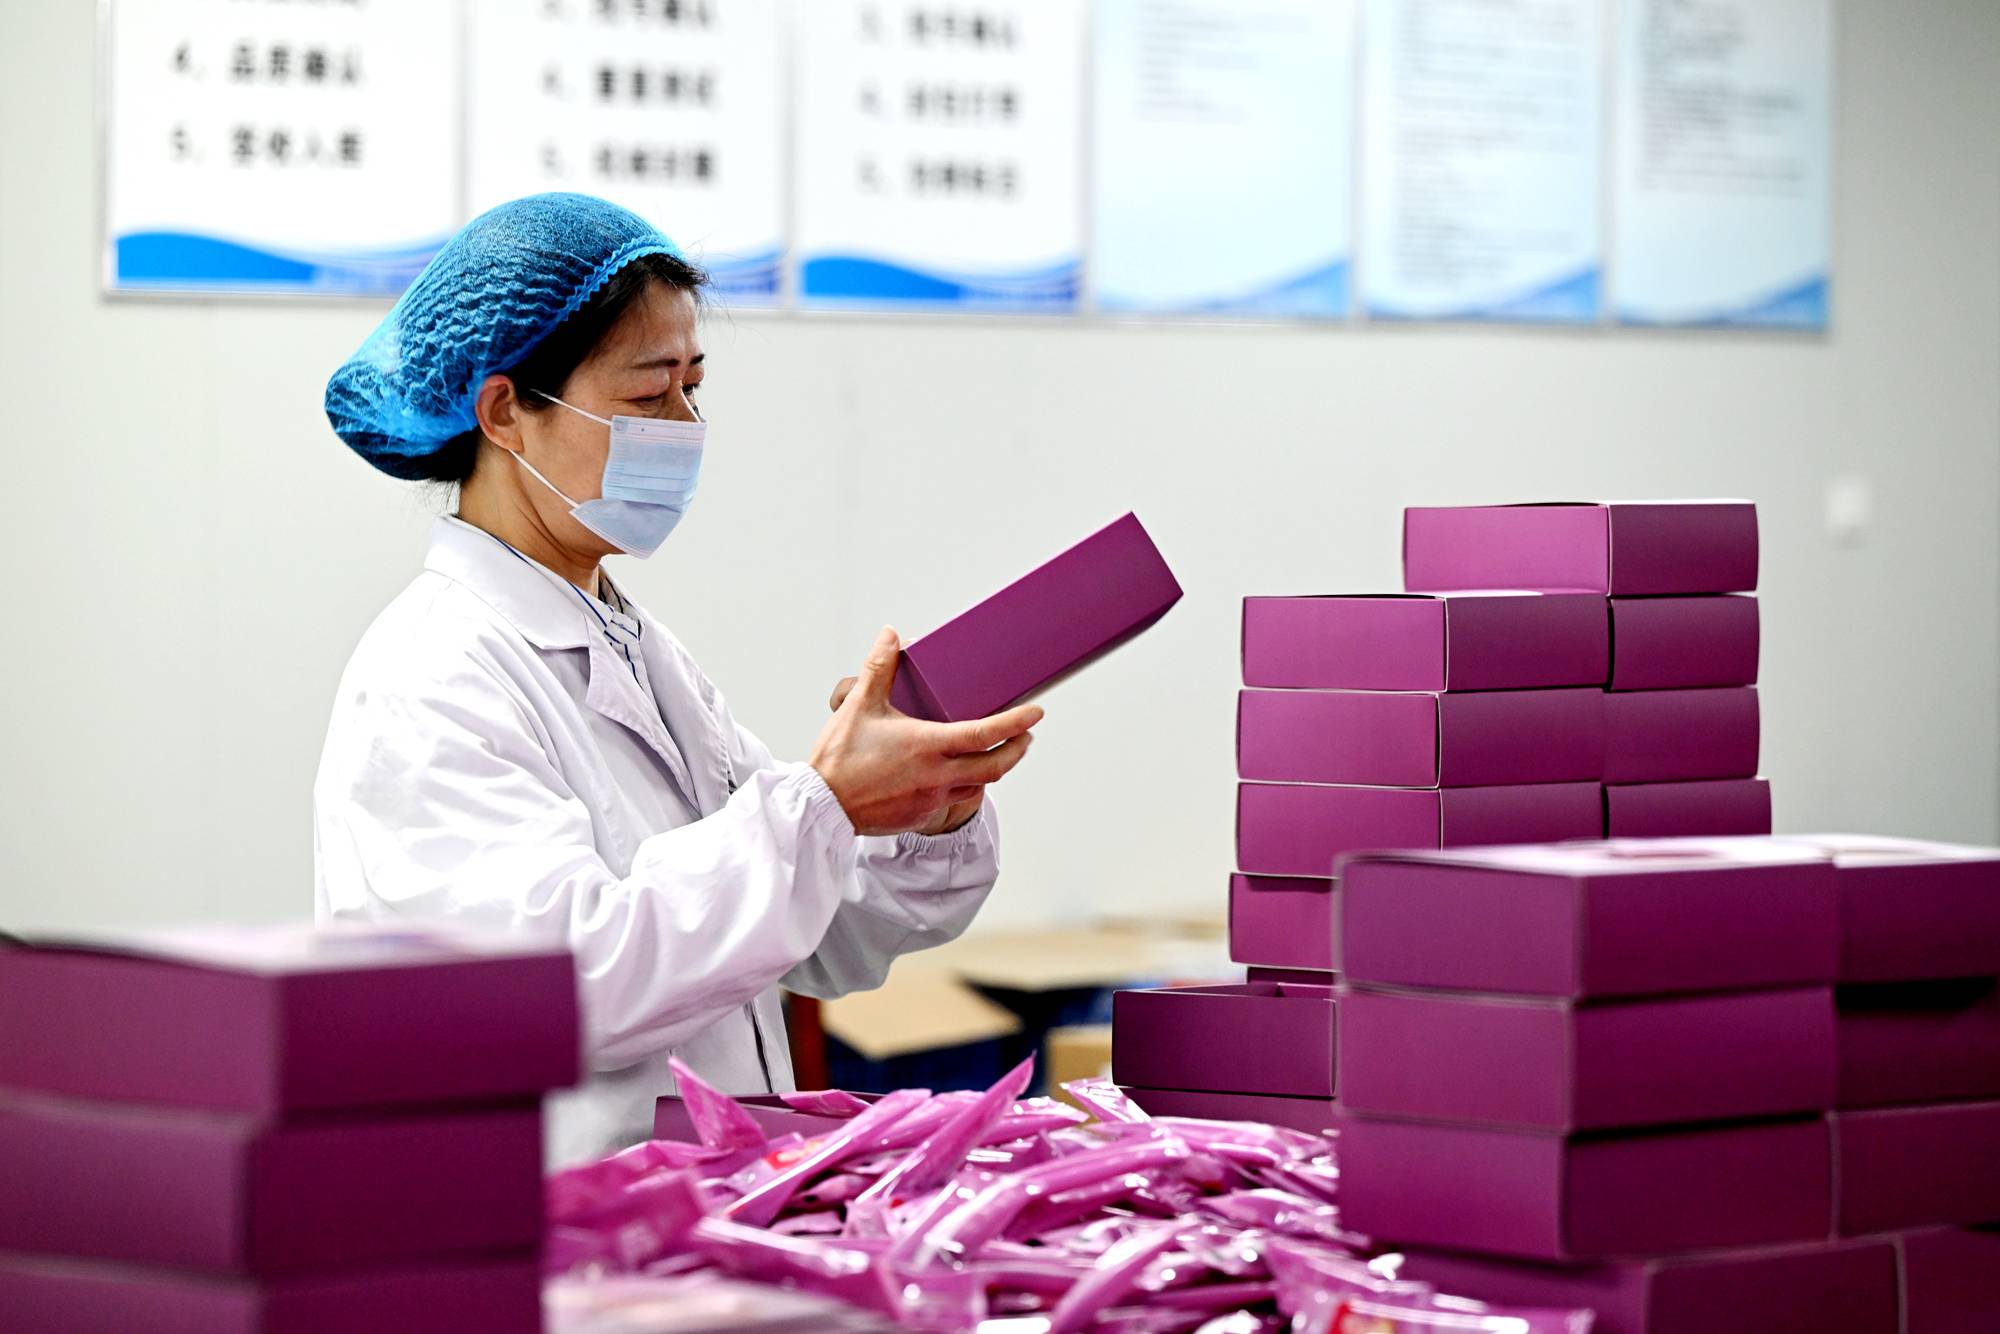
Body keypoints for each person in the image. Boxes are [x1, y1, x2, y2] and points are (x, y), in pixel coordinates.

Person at [314, 194, 1043, 1164]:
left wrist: (920, 805)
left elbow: (818, 932)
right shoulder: (431, 677)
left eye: (694, 388)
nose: (686, 426)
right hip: (543, 1220)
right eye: (650, 394)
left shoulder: (637, 648)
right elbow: (563, 987)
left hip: (690, 1208)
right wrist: (821, 804)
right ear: (504, 412)